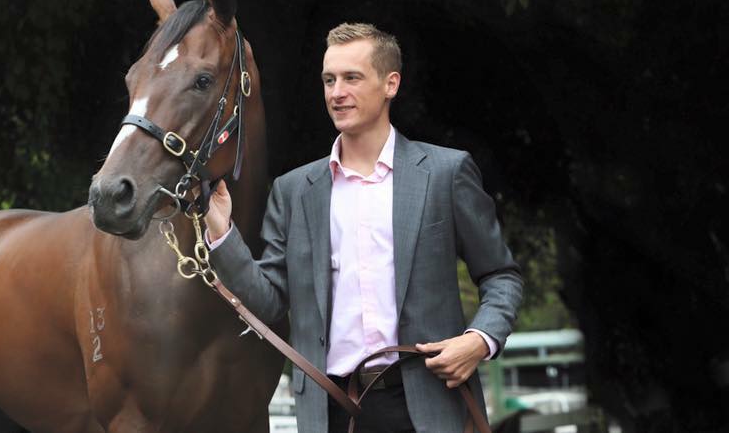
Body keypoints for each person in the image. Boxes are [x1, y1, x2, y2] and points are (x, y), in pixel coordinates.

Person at [205, 23, 523, 433]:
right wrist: (222, 233)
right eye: (329, 80)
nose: (337, 92)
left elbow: (501, 275)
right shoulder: (293, 191)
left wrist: (479, 339)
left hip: (428, 404)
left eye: (352, 77)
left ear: (391, 84)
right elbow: (268, 303)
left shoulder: (446, 172)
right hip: (332, 408)